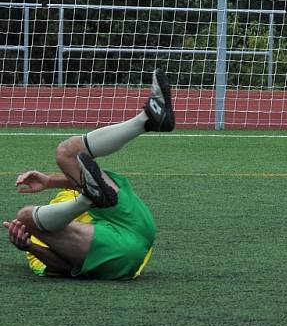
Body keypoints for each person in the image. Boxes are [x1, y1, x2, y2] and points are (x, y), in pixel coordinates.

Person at [3, 68, 175, 280]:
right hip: (122, 246)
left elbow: (85, 183)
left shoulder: (65, 198)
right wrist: (29, 246)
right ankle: (146, 120)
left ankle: (149, 117)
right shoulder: (36, 231)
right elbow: (64, 267)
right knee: (25, 218)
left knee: (66, 153)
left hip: (126, 224)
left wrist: (49, 181)